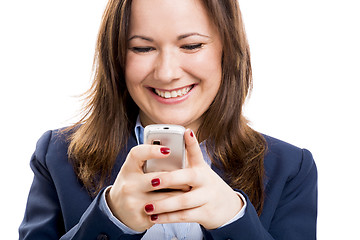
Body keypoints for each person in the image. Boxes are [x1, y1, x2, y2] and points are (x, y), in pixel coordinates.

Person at [19, 0, 317, 239]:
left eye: (191, 45)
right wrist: (110, 218)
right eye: (142, 48)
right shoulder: (57, 156)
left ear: (227, 50)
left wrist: (234, 220)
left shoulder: (290, 168)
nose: (166, 72)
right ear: (117, 57)